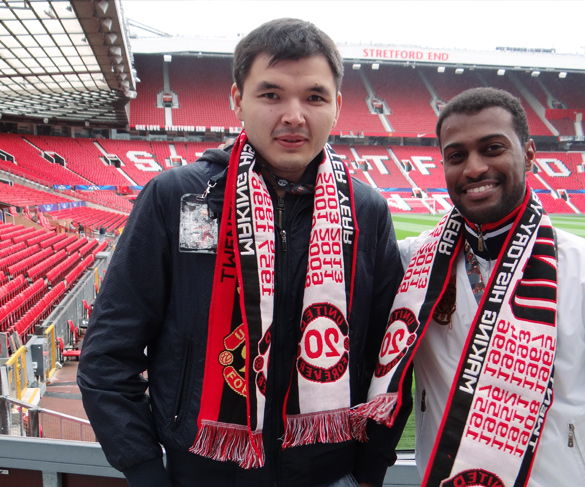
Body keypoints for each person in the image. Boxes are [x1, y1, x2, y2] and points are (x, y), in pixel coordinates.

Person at [78, 18, 409, 487]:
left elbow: (389, 361)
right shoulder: (176, 197)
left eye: (314, 97)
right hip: (200, 474)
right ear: (238, 100)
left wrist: (372, 466)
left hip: (331, 475)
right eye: (271, 95)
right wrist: (144, 469)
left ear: (337, 107)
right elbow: (108, 355)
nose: (294, 115)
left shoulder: (368, 210)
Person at [361, 87, 585, 487]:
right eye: (456, 156)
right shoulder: (414, 265)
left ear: (528, 153)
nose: (474, 168)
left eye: (492, 148)